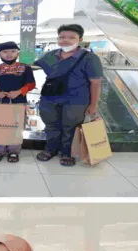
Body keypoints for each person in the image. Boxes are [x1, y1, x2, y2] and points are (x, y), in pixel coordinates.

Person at [34, 24, 103, 167]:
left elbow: (95, 83)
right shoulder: (51, 55)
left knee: (70, 126)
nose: (66, 40)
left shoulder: (89, 58)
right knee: (51, 125)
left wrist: (93, 104)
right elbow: (33, 65)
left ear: (80, 39)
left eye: (72, 37)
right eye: (62, 37)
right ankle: (50, 149)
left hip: (76, 100)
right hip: (50, 97)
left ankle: (67, 153)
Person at [0, 42, 36, 163]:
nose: (9, 54)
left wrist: (19, 92)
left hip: (19, 101)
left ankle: (14, 151)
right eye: (5, 52)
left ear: (18, 53)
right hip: (1, 101)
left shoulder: (25, 68)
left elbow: (31, 84)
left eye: (12, 51)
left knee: (16, 126)